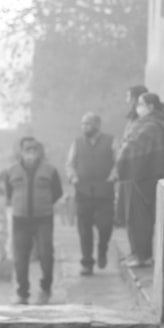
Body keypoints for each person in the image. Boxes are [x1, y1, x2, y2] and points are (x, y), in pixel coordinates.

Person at [0, 137, 63, 305]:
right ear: (21, 153)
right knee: (20, 257)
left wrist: (43, 203)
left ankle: (46, 288)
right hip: (20, 220)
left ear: (39, 152)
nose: (31, 153)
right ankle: (23, 293)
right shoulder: (11, 171)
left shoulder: (50, 170)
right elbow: (9, 193)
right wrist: (17, 203)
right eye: (27, 150)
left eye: (34, 150)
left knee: (46, 254)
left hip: (43, 218)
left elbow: (57, 192)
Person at [114, 92, 164, 268]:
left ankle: (143, 256)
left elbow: (134, 147)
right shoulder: (144, 123)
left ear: (150, 107)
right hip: (135, 176)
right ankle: (136, 253)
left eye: (141, 104)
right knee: (132, 218)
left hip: (145, 177)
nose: (137, 107)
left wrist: (122, 151)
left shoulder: (152, 126)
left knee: (141, 219)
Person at [66, 112, 116, 276]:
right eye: (82, 123)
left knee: (105, 225)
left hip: (105, 190)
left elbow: (119, 161)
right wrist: (73, 178)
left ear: (97, 125)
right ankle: (87, 262)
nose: (84, 127)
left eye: (88, 123)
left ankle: (102, 249)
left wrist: (113, 176)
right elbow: (70, 163)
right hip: (83, 191)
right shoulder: (77, 142)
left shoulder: (111, 141)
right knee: (84, 228)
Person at [115, 84, 149, 227]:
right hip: (127, 165)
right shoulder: (132, 117)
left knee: (136, 209)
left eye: (129, 97)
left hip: (136, 167)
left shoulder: (142, 120)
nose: (127, 100)